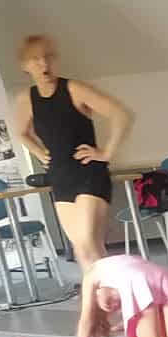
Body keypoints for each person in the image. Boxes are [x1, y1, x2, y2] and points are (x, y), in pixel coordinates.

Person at [11, 34, 133, 268]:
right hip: (60, 176)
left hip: (89, 173)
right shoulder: (27, 99)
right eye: (36, 59)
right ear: (25, 66)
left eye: (48, 57)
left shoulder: (74, 89)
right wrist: (39, 153)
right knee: (82, 249)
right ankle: (102, 289)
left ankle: (109, 286)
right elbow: (21, 132)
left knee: (88, 243)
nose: (44, 64)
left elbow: (121, 115)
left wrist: (107, 153)